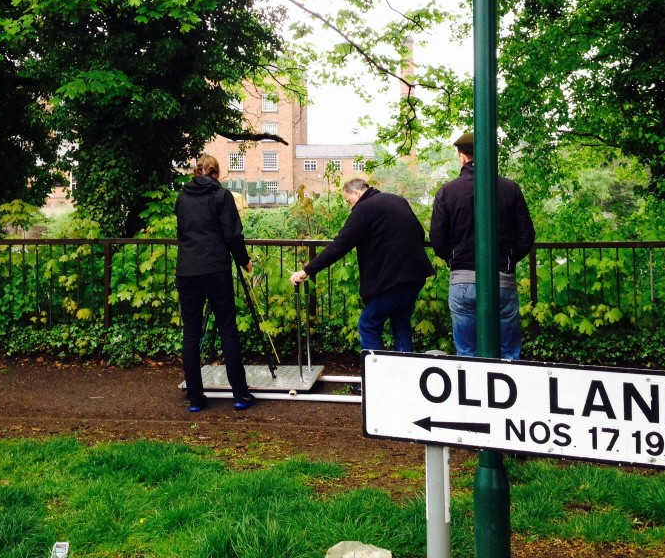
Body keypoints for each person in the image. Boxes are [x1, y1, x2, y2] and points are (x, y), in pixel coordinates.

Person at [289, 178, 434, 352]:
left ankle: (376, 376)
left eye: (349, 201)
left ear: (356, 193)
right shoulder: (398, 200)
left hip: (391, 280)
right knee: (400, 322)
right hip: (415, 276)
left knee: (368, 325)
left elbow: (339, 245)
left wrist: (307, 270)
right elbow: (419, 231)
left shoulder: (365, 208)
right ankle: (405, 374)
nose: (351, 206)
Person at [430, 132, 535, 359]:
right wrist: (507, 260)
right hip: (501, 278)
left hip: (462, 279)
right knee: (508, 352)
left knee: (467, 352)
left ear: (462, 157)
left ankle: (472, 392)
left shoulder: (447, 192)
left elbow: (437, 239)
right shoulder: (510, 189)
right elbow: (526, 236)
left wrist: (454, 259)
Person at [175, 155, 256, 412]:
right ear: (217, 173)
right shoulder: (222, 196)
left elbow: (182, 232)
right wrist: (244, 261)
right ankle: (240, 395)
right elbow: (233, 235)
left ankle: (196, 399)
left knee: (191, 332)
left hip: (186, 269)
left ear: (195, 171)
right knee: (227, 330)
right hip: (215, 269)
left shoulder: (182, 198)